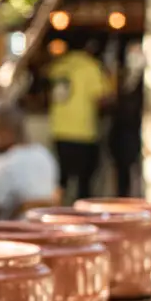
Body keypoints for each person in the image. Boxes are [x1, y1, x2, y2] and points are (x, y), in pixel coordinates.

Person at [47, 38, 111, 199]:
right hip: (84, 131)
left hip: (59, 130)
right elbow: (100, 97)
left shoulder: (59, 66)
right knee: (85, 182)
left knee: (62, 180)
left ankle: (56, 212)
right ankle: (82, 217)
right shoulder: (91, 66)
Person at [0, 105, 59, 219]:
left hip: (8, 232)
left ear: (5, 132)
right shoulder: (44, 154)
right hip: (43, 228)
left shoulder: (4, 164)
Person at [109, 41, 144, 197]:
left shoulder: (147, 79)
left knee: (136, 172)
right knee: (122, 171)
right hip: (120, 131)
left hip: (136, 130)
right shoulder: (121, 77)